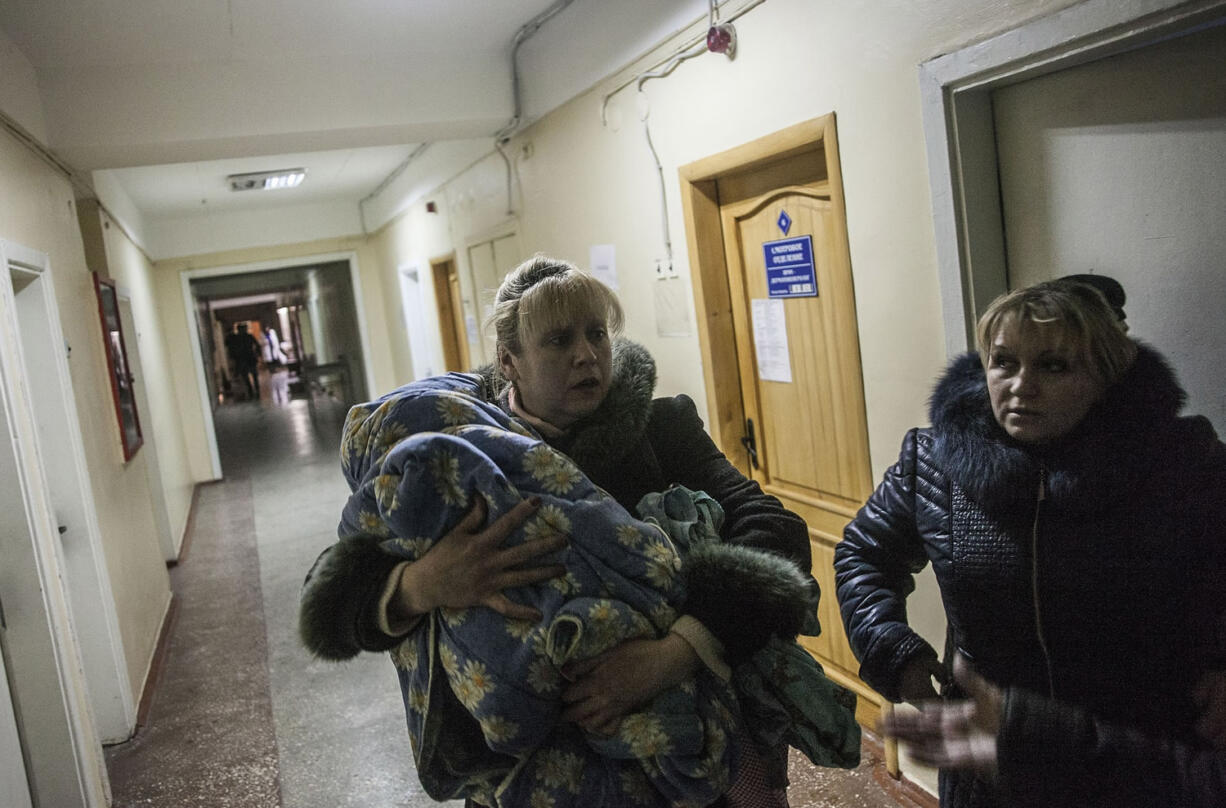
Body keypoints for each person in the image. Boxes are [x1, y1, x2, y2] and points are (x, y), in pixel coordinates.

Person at [301, 256, 837, 806]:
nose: (587, 355)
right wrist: (420, 584)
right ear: (509, 361)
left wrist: (676, 653)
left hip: (681, 763)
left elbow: (777, 532)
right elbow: (328, 608)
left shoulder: (664, 427)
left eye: (596, 333)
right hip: (526, 772)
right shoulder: (460, 459)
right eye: (558, 340)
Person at [833, 278, 1226, 807]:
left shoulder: (1180, 460)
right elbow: (864, 553)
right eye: (1004, 362)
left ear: (1104, 376)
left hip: (1129, 757)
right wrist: (891, 649)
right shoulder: (934, 460)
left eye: (1054, 366)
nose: (1022, 386)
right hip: (986, 757)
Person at [224, 322, 261, 399]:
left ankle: (256, 390)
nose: (243, 330)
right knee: (246, 377)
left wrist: (257, 354)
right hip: (242, 359)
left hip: (249, 358)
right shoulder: (235, 338)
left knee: (254, 376)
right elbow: (228, 344)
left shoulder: (249, 336)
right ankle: (251, 391)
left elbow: (257, 345)